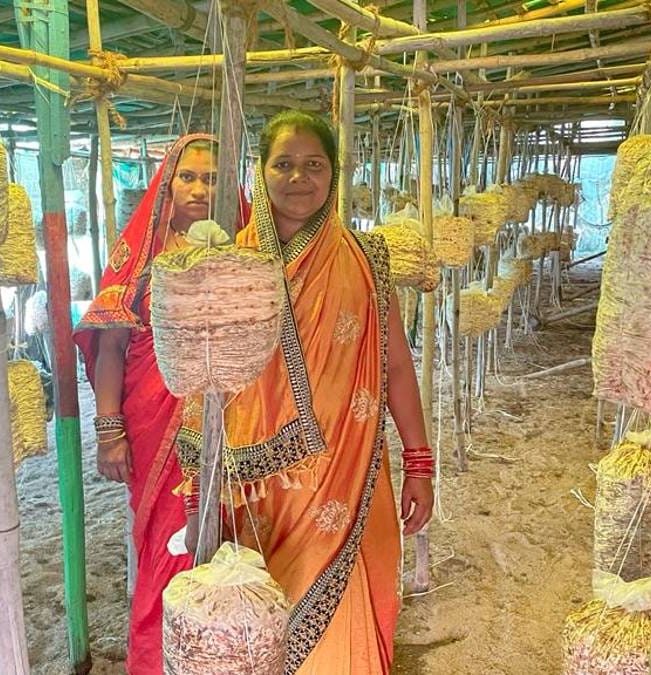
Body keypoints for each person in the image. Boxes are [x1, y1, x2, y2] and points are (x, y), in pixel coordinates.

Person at [175, 110, 435, 673]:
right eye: (283, 164)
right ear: (260, 173)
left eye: (313, 164)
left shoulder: (368, 260)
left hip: (349, 471)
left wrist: (420, 462)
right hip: (255, 493)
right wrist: (197, 499)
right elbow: (200, 388)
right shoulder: (227, 263)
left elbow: (394, 368)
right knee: (256, 630)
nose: (299, 178)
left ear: (335, 173)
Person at [73, 133, 248, 675]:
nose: (199, 189)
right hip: (157, 426)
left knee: (235, 542)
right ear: (166, 185)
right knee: (169, 548)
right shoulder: (144, 259)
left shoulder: (247, 254)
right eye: (188, 176)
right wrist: (109, 430)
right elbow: (111, 344)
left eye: (213, 178)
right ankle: (162, 660)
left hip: (238, 425)